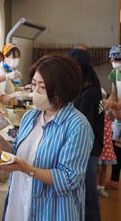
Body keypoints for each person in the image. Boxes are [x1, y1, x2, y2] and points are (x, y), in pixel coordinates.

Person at [0, 54, 94, 221]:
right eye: (33, 85)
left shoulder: (77, 126)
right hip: (19, 200)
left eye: (43, 86)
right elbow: (17, 154)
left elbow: (69, 179)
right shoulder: (30, 117)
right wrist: (0, 141)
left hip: (52, 211)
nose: (36, 92)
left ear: (63, 87)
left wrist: (27, 169)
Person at [66, 48, 104, 221]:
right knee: (85, 192)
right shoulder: (86, 88)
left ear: (78, 69)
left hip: (88, 149)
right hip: (88, 147)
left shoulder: (90, 92)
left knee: (89, 193)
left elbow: (82, 125)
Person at [105, 45, 121, 190]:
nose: (114, 62)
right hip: (118, 113)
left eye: (116, 59)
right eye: (112, 60)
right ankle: (114, 179)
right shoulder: (114, 73)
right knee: (116, 144)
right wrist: (110, 102)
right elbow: (114, 92)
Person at [97, 88, 118, 198]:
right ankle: (94, 187)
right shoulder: (97, 110)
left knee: (104, 167)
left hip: (107, 143)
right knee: (98, 168)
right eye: (101, 96)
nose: (103, 99)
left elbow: (117, 117)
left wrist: (114, 107)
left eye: (104, 96)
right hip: (98, 143)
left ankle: (101, 187)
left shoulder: (109, 111)